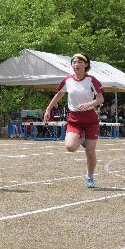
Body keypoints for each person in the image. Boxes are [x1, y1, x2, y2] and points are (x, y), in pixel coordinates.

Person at [44, 52, 104, 188]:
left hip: (90, 119)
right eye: (74, 62)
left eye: (80, 62)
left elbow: (100, 99)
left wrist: (89, 104)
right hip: (74, 118)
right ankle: (81, 138)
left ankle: (90, 176)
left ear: (86, 64)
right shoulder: (67, 80)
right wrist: (48, 109)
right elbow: (59, 95)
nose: (76, 64)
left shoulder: (91, 80)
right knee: (70, 147)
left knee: (90, 151)